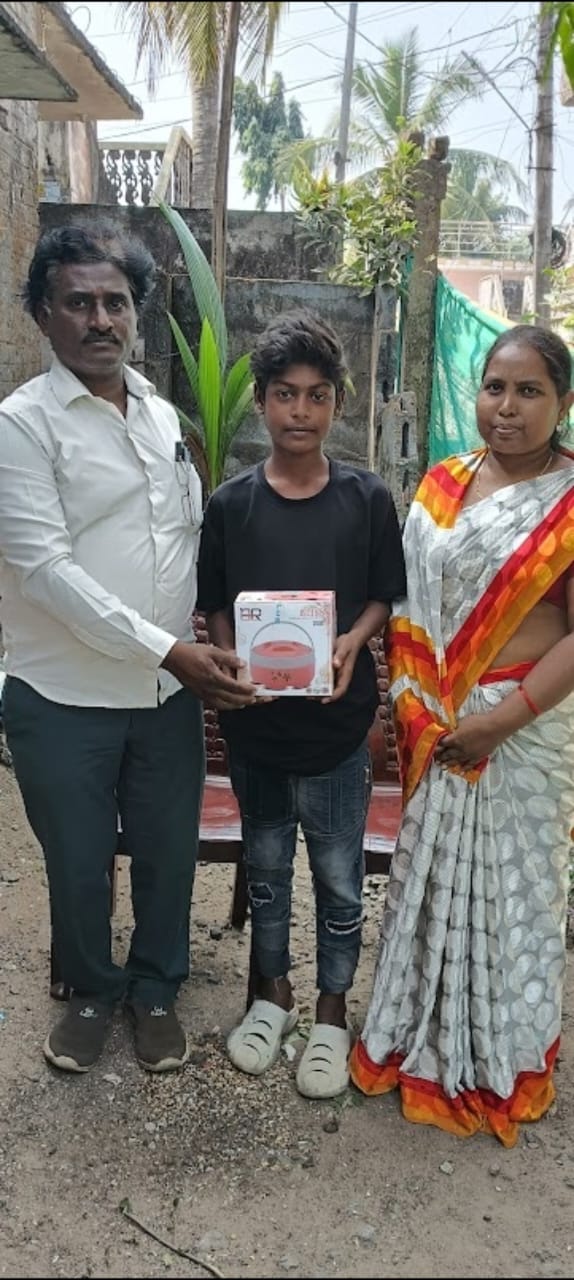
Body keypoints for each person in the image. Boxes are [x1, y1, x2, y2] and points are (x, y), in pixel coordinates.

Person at [0, 221, 254, 1075]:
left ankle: (154, 989)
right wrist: (170, 650)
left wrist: (218, 636)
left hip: (164, 699)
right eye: (78, 303)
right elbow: (47, 572)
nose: (100, 319)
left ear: (136, 313)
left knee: (166, 854)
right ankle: (90, 990)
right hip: (64, 698)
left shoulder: (157, 413)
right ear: (44, 314)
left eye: (116, 302)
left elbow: (181, 538)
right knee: (78, 862)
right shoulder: (22, 427)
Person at [350, 325, 574, 1148]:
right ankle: (415, 1036)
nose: (506, 408)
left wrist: (500, 723)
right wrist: (410, 710)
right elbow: (411, 609)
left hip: (523, 732)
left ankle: (498, 1057)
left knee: (517, 899)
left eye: (529, 392)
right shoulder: (444, 484)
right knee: (428, 886)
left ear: (563, 404)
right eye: (494, 387)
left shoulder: (568, 504)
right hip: (437, 725)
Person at [197, 310, 406, 1099]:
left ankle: (331, 1010)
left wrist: (352, 640)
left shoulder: (366, 498)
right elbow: (216, 604)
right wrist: (229, 660)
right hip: (256, 732)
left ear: (337, 405)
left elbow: (382, 595)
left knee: (340, 881)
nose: (300, 411)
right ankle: (273, 996)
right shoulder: (231, 505)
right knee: (266, 871)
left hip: (337, 736)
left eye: (318, 396)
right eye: (285, 394)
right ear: (260, 401)